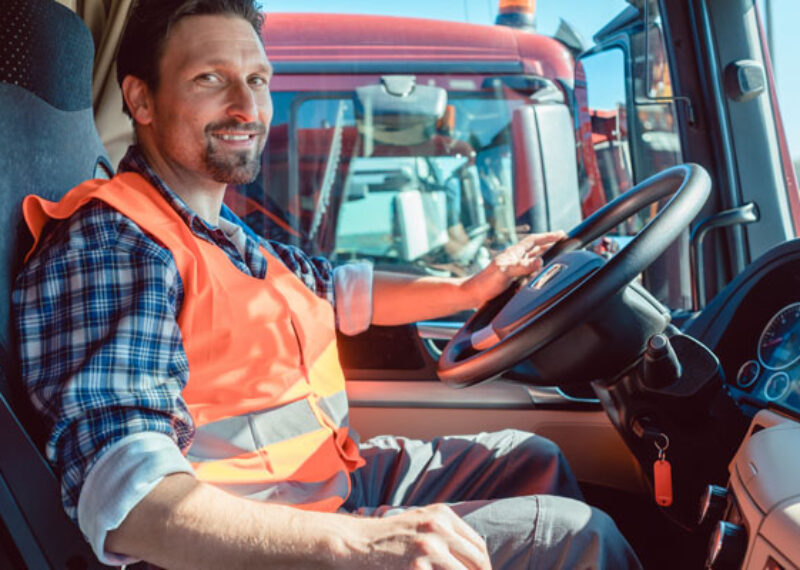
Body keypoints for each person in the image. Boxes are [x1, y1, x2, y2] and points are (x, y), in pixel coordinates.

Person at [12, 1, 642, 568]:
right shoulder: (117, 243)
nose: (246, 106)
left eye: (257, 80)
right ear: (141, 101)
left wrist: (470, 289)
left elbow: (336, 288)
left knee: (531, 460)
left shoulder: (220, 231)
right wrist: (357, 543)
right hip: (254, 534)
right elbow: (131, 500)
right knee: (575, 536)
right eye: (211, 79)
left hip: (321, 482)